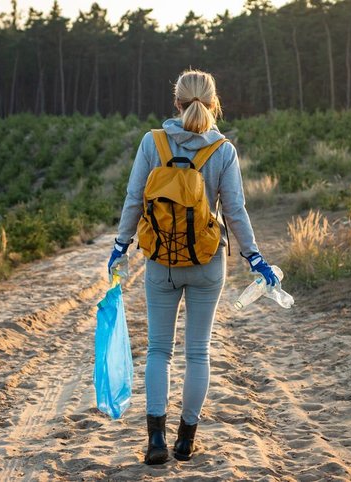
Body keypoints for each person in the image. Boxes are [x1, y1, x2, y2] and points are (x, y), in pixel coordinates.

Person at [107, 69, 277, 465]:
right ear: (214, 104)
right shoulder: (223, 150)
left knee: (158, 351)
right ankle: (186, 440)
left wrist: (120, 246)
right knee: (198, 352)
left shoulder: (153, 142)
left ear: (176, 103)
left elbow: (134, 198)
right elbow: (234, 211)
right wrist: (255, 257)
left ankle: (155, 442)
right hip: (206, 262)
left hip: (161, 261)